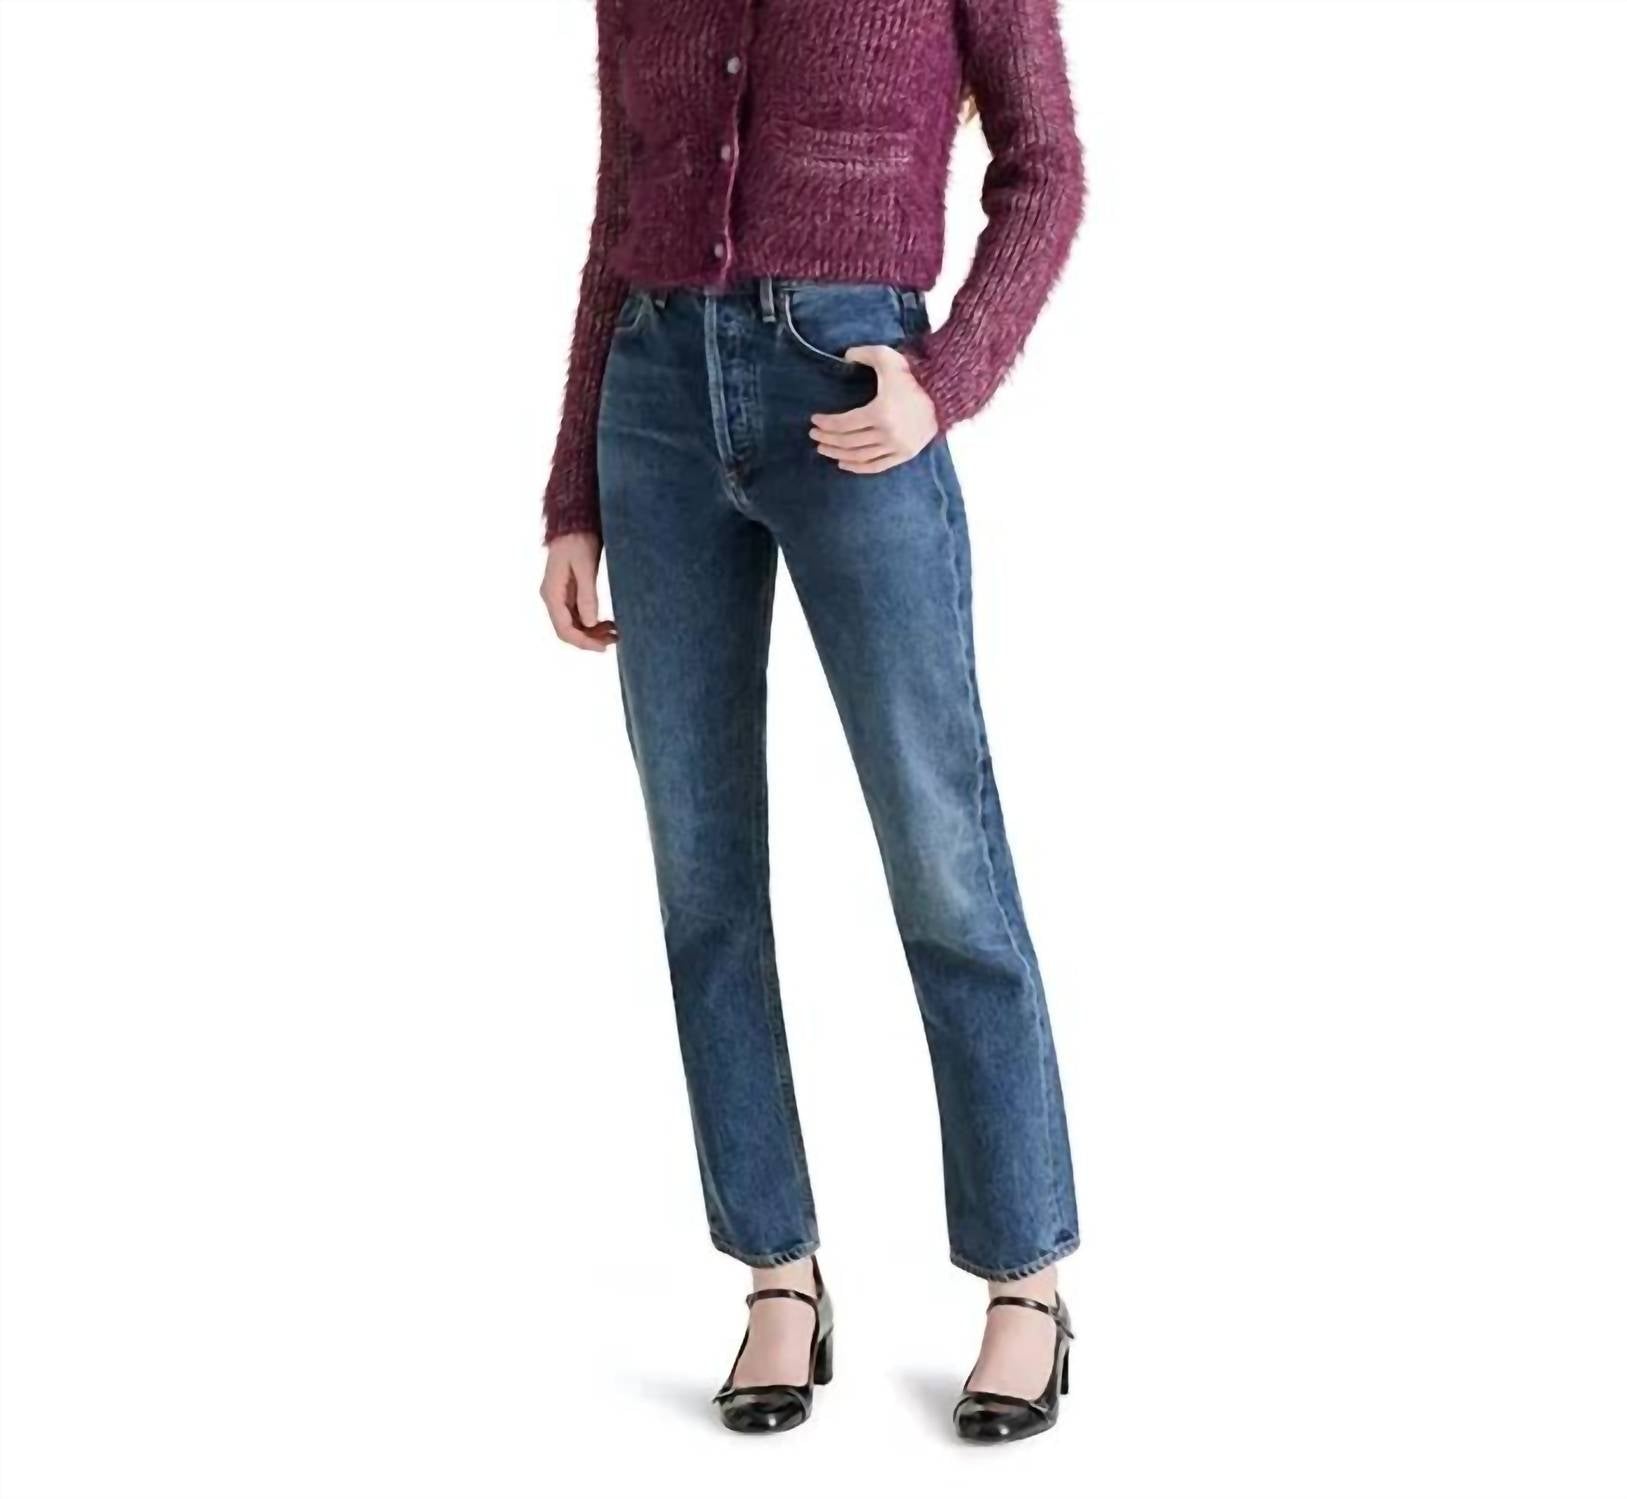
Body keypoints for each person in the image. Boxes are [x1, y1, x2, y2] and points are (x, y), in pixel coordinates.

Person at [539, 0, 1087, 1444]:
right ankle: (777, 1273)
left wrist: (947, 382)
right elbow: (617, 208)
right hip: (656, 404)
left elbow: (1043, 167)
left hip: (852, 389)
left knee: (941, 853)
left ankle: (1024, 1281)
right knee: (702, 875)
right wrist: (574, 491)